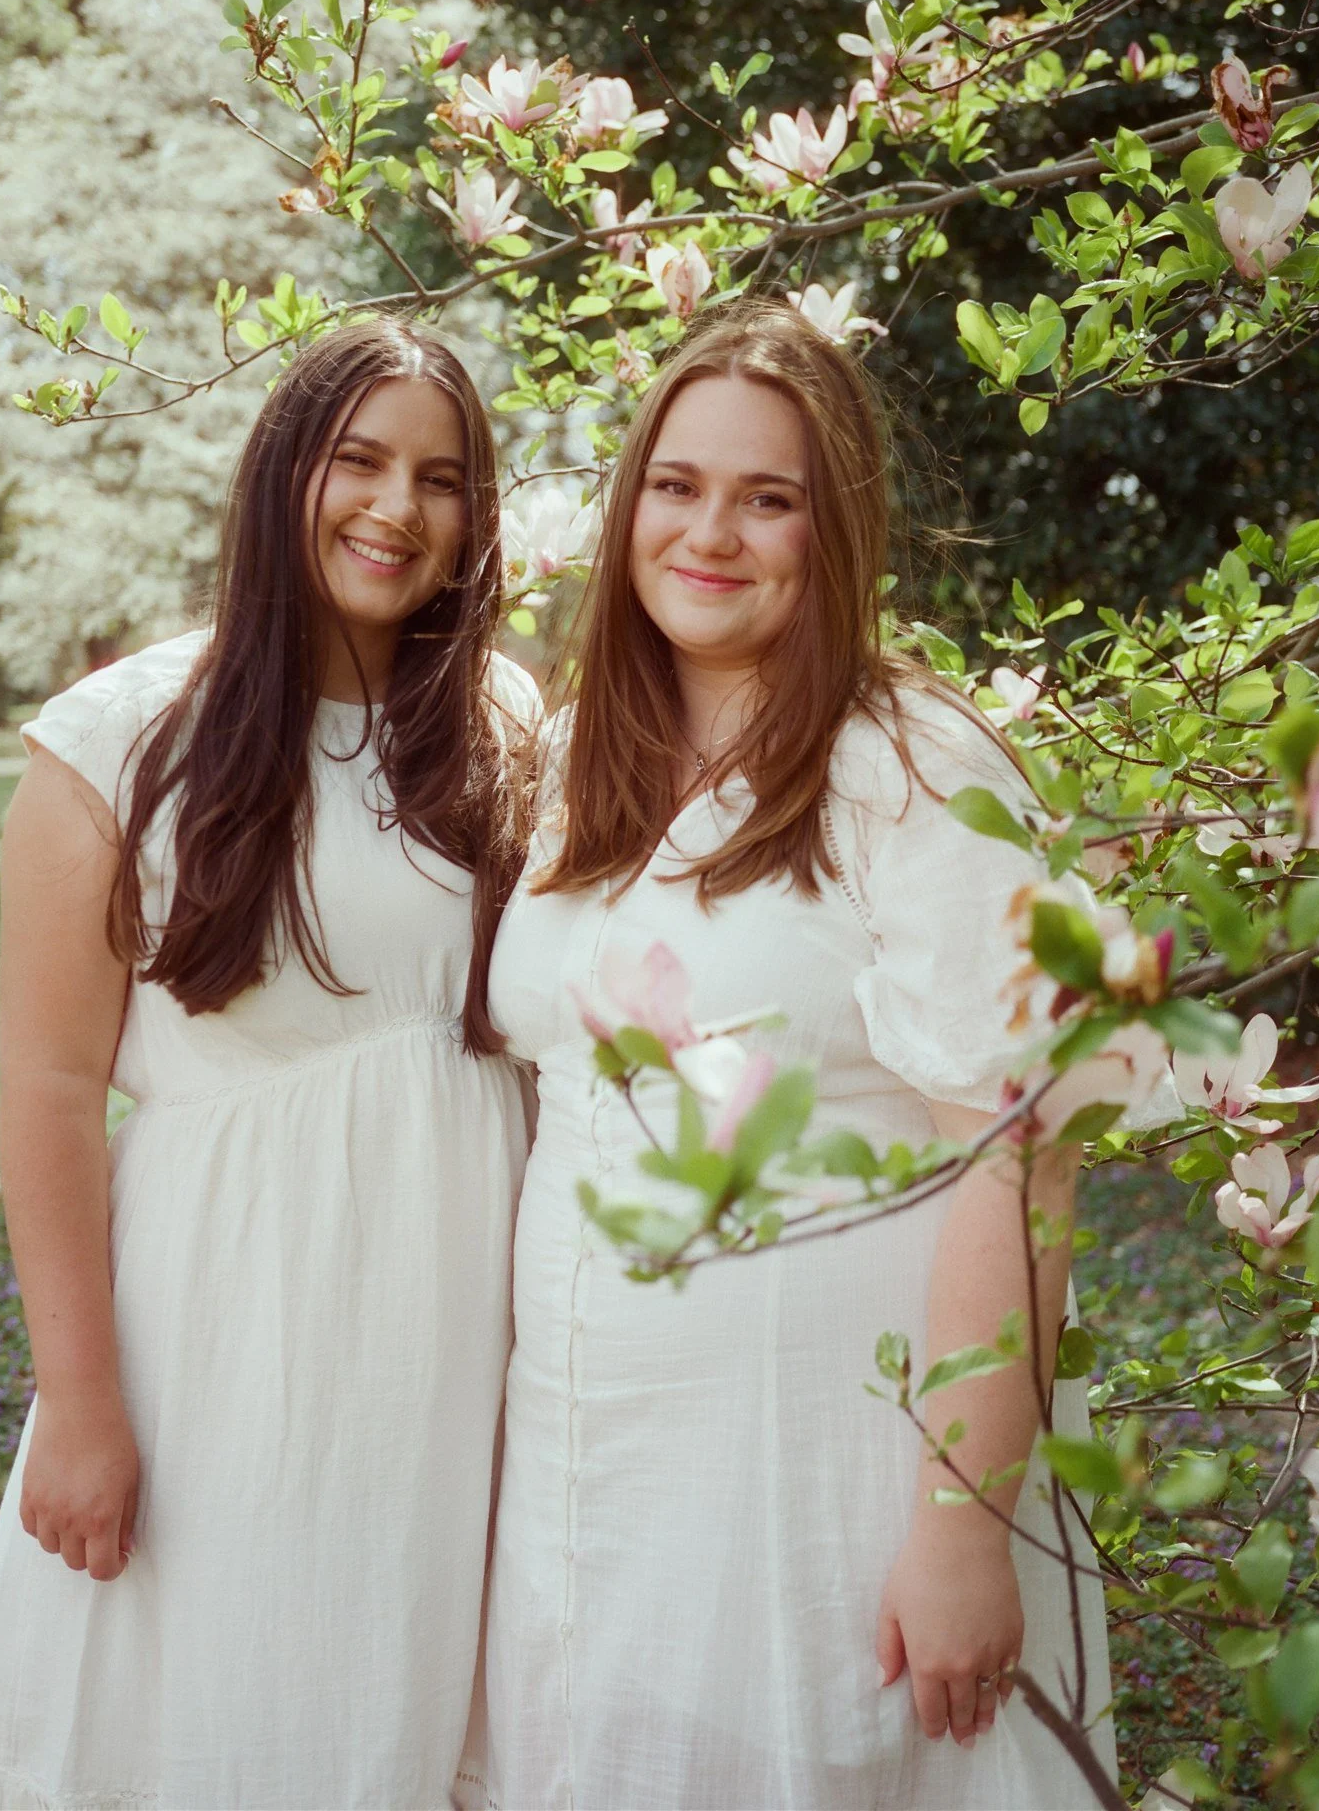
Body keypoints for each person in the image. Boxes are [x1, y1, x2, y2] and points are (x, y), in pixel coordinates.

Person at [476, 301, 1116, 1810]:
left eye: (768, 499)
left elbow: (1022, 1161)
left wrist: (962, 1527)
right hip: (588, 1474)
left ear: (837, 533)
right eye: (677, 485)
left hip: (823, 1480)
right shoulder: (576, 763)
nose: (711, 533)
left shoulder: (916, 771)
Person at [0, 319, 538, 1810]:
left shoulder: (504, 727)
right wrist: (79, 1404)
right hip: (223, 1338)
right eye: (359, 461)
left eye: (441, 479)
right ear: (285, 470)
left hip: (459, 1345)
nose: (397, 508)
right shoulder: (122, 740)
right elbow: (51, 1092)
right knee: (217, 1718)